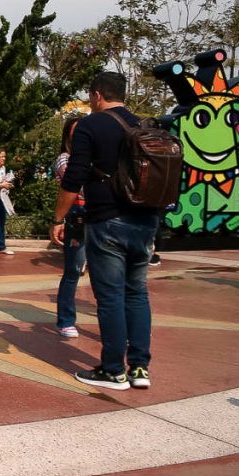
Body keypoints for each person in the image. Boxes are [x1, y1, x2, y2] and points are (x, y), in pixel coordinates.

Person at [51, 71, 158, 391]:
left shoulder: (90, 125)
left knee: (110, 297)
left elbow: (74, 177)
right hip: (145, 222)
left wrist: (58, 218)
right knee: (137, 293)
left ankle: (113, 370)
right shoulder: (144, 126)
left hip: (107, 222)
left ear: (97, 95)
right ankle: (140, 368)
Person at [54, 118, 85, 338]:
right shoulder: (65, 159)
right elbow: (75, 183)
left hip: (103, 214)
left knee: (106, 273)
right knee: (73, 269)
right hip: (77, 215)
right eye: (75, 131)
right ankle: (65, 319)